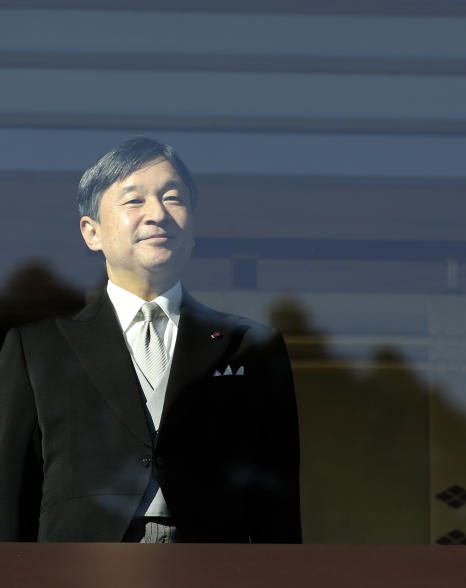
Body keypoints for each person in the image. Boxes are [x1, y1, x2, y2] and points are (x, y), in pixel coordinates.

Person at [0, 137, 301, 543]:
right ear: (92, 232)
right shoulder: (36, 351)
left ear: (193, 228)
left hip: (213, 567)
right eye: (134, 201)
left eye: (172, 198)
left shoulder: (251, 346)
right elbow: (11, 500)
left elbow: (277, 501)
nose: (157, 213)